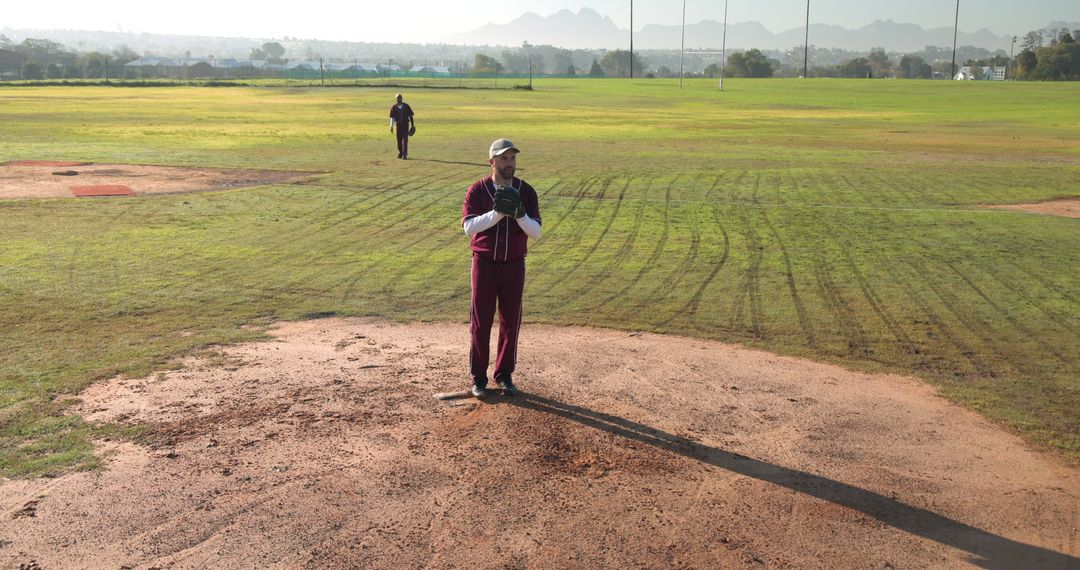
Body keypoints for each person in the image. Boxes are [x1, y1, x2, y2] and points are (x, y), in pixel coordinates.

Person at [461, 139, 542, 398]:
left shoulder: (525, 191)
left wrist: (519, 214)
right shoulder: (477, 190)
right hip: (483, 265)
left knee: (510, 322)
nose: (510, 164)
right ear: (492, 162)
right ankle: (479, 378)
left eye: (512, 158)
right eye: (504, 159)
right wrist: (497, 213)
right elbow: (469, 228)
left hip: (514, 265)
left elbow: (536, 232)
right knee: (480, 322)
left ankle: (504, 375)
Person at [389, 93, 415, 159]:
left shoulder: (406, 106)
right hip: (398, 125)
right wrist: (391, 126)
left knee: (405, 140)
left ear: (402, 98)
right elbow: (392, 117)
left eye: (400, 97)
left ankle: (404, 154)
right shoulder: (394, 107)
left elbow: (410, 115)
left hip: (405, 124)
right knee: (399, 140)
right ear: (396, 99)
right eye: (398, 97)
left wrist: (412, 125)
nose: (399, 99)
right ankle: (400, 153)